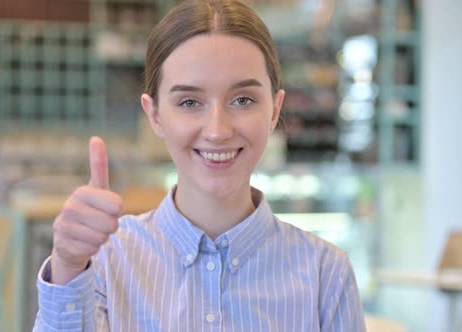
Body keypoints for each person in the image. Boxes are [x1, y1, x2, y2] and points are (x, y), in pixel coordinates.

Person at [33, 0, 366, 331]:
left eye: (243, 100)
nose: (217, 131)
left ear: (275, 110)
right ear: (155, 115)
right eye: (190, 102)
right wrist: (67, 267)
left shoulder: (326, 273)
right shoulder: (105, 260)